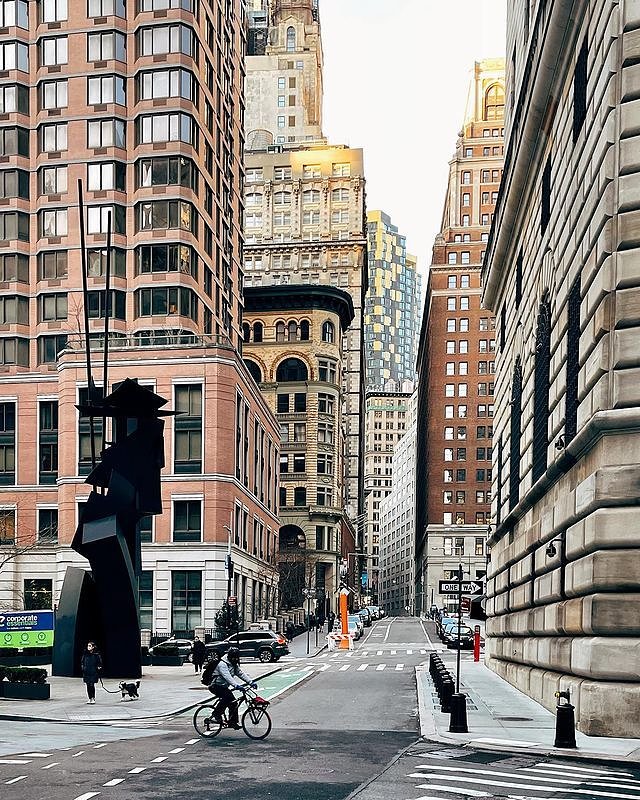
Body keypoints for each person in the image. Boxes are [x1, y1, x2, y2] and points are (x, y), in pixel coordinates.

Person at [208, 646, 257, 729]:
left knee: (233, 703)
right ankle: (216, 714)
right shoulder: (222, 664)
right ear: (229, 656)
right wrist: (237, 686)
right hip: (215, 686)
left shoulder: (233, 664)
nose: (235, 660)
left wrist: (250, 682)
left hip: (223, 686)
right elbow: (228, 677)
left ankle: (232, 722)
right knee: (227, 698)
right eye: (233, 658)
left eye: (236, 658)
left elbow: (240, 674)